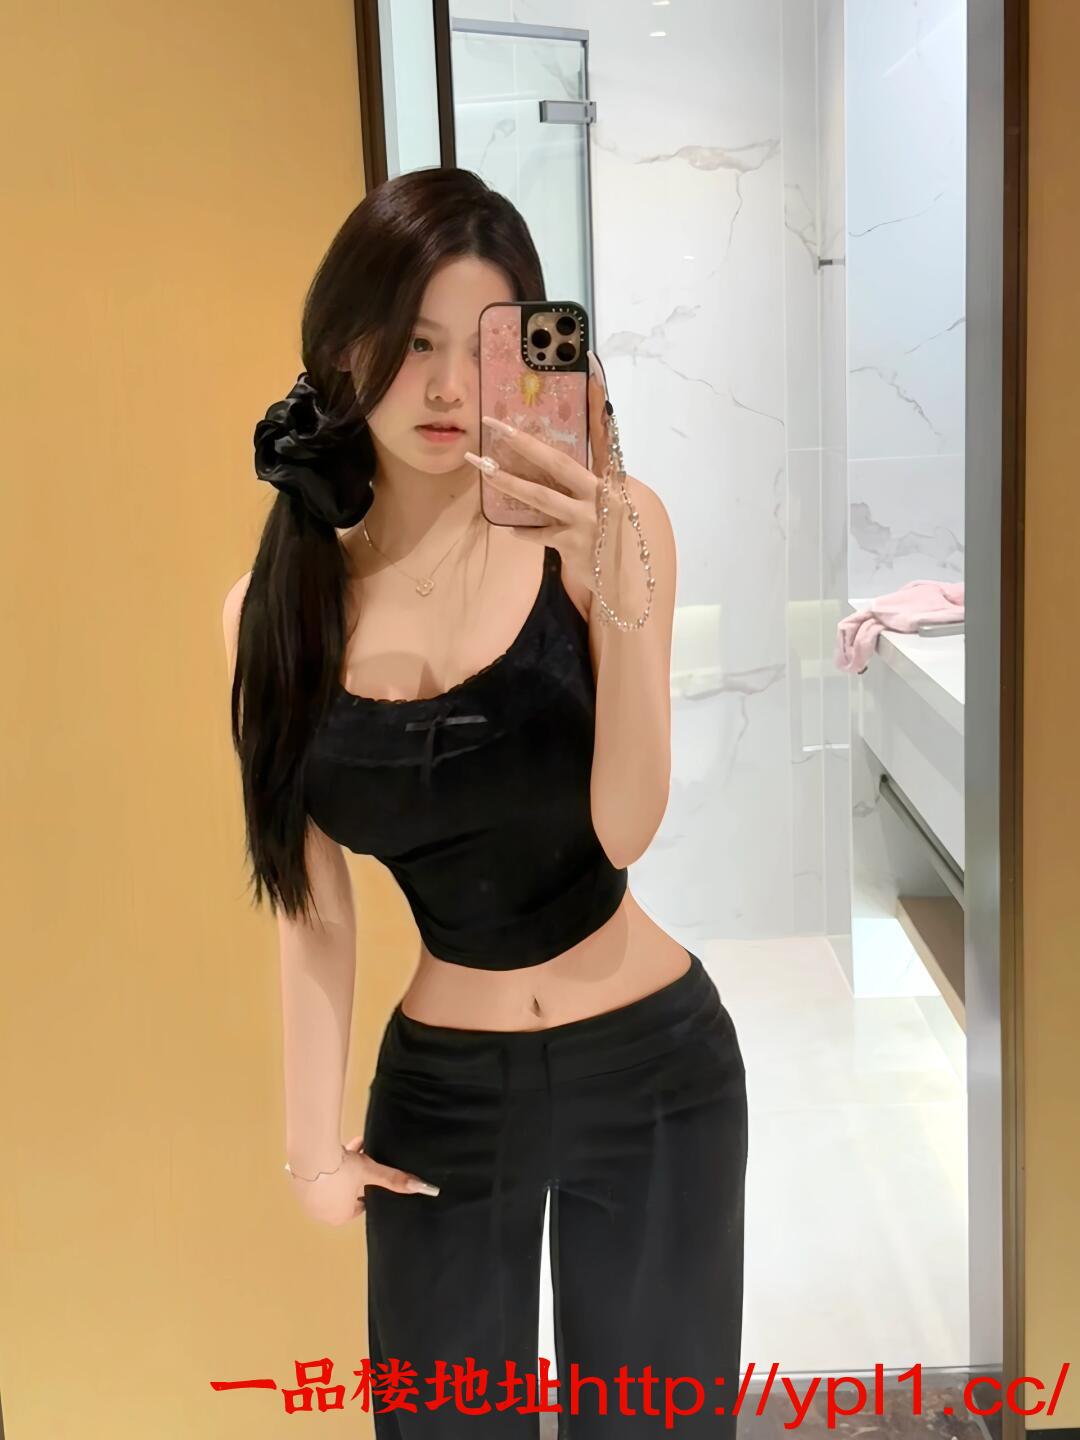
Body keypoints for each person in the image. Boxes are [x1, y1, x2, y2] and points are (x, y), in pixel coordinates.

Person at [222, 167, 747, 1437]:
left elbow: (625, 829)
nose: (450, 386)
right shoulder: (275, 611)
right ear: (344, 344)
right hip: (442, 1098)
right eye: (414, 342)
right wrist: (310, 1145)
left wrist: (613, 578)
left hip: (655, 1067)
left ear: (536, 358)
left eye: (486, 346)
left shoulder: (614, 531)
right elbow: (313, 906)